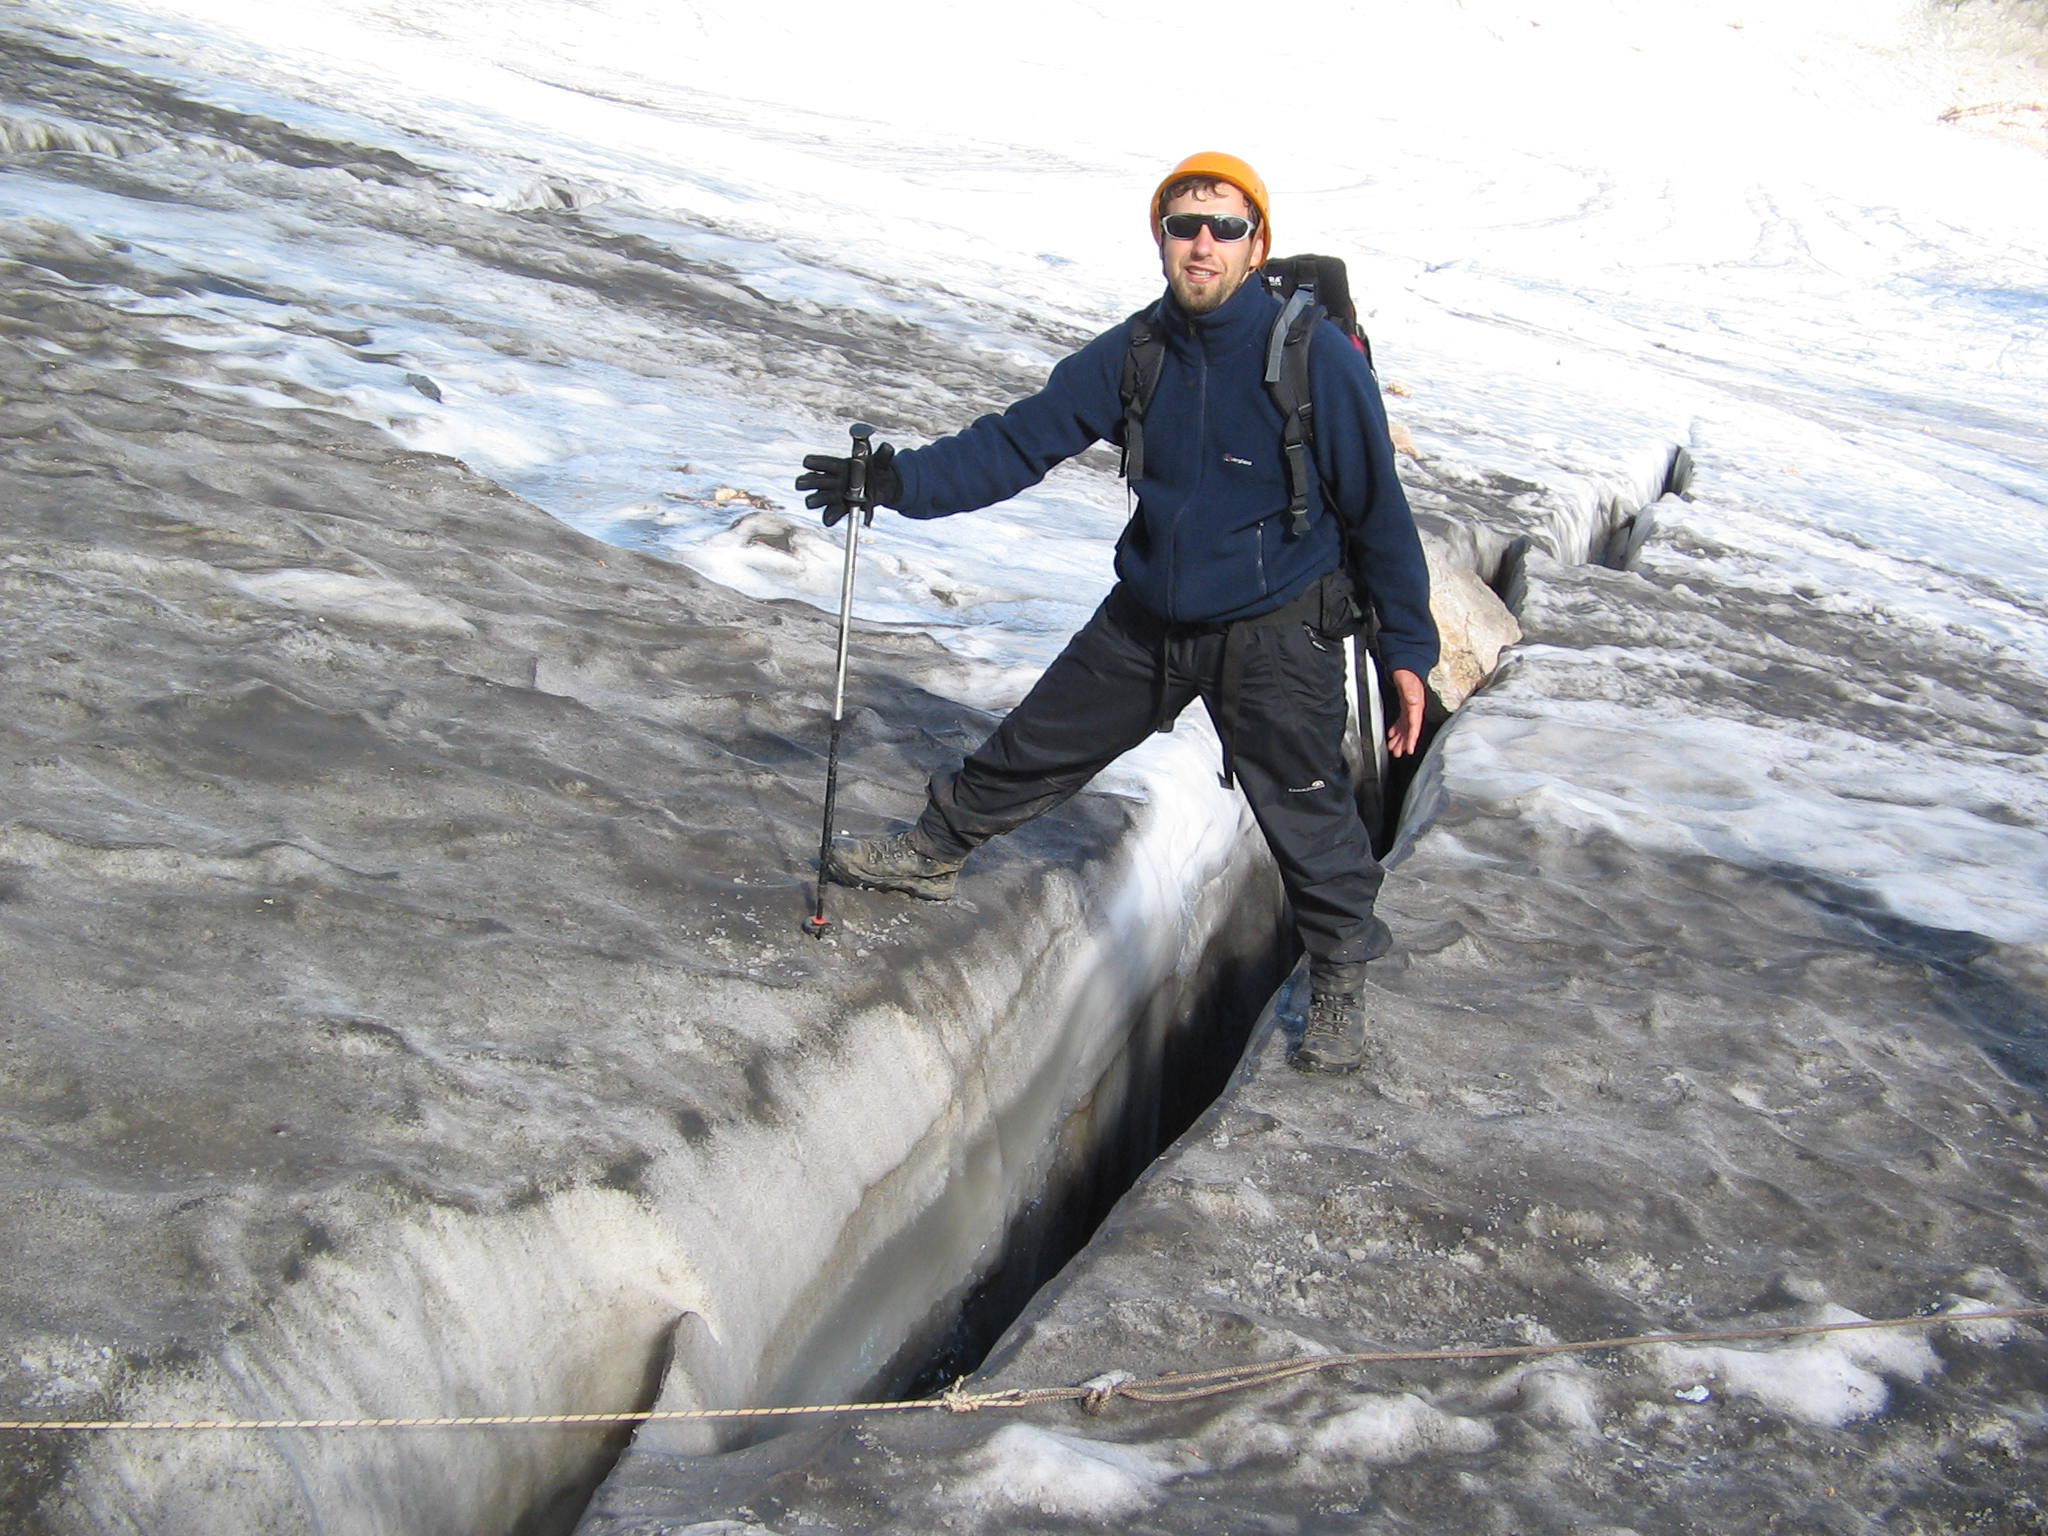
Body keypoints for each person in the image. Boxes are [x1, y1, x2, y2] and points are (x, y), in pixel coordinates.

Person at [795, 152, 1437, 1075]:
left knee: (1306, 809)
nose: (1202, 243)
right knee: (1038, 740)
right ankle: (935, 851)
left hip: (1274, 627)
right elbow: (1021, 440)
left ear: (1259, 244)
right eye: (1184, 226)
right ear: (1161, 240)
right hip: (1153, 613)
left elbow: (1379, 510)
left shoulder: (1315, 359)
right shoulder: (1140, 350)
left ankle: (1338, 973)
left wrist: (1407, 648)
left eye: (1223, 226)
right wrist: (895, 481)